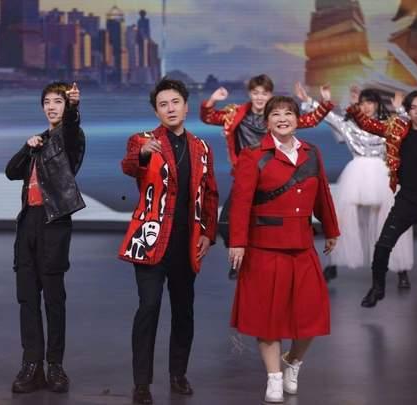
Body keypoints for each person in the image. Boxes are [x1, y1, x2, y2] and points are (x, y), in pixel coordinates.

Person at [229, 96, 339, 403]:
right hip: (265, 248)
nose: (282, 118)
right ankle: (274, 378)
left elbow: (322, 195)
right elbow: (241, 203)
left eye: (288, 113)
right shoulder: (253, 155)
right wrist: (237, 242)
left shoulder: (311, 153)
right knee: (268, 318)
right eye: (275, 114)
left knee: (312, 314)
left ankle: (293, 362)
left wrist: (331, 229)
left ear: (298, 119)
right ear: (267, 122)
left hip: (302, 245)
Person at [120, 78, 219, 405]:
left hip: (186, 242)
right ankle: (141, 383)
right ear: (156, 112)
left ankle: (178, 374)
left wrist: (208, 233)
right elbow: (129, 165)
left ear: (186, 107)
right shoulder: (143, 141)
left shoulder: (202, 148)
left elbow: (210, 194)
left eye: (175, 102)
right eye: (163, 104)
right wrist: (142, 155)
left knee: (184, 310)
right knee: (148, 308)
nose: (170, 108)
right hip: (150, 240)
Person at [200, 75, 333, 279]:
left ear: (270, 95)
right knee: (227, 223)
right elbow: (209, 117)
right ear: (250, 94)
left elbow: (310, 120)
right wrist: (212, 100)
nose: (260, 97)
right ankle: (239, 258)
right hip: (246, 175)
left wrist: (324, 102)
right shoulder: (235, 114)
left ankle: (261, 256)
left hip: (274, 176)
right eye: (255, 93)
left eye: (264, 93)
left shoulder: (278, 118)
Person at [5, 82, 85, 394]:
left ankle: (55, 365)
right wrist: (28, 147)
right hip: (28, 223)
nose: (52, 107)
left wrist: (74, 108)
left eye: (58, 102)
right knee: (27, 297)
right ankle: (31, 364)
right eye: (47, 102)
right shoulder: (39, 140)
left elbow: (72, 128)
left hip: (54, 223)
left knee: (53, 299)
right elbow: (12, 171)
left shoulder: (70, 138)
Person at [297, 84, 414, 287]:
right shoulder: (350, 125)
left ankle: (401, 269)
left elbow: (406, 128)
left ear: (377, 104)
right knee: (343, 221)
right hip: (356, 176)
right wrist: (310, 101)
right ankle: (334, 264)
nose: (366, 107)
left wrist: (400, 109)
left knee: (392, 220)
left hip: (383, 175)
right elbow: (330, 118)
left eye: (370, 102)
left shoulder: (387, 124)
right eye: (363, 103)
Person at [346, 90, 417, 308]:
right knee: (383, 246)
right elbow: (368, 125)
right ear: (408, 111)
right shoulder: (397, 129)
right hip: (406, 199)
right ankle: (377, 288)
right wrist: (354, 108)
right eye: (413, 108)